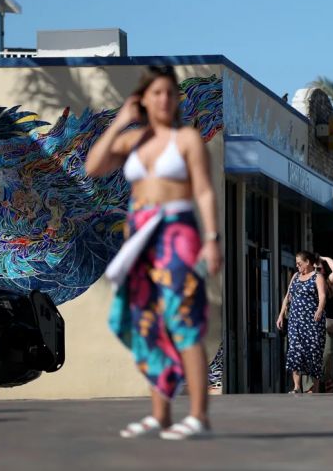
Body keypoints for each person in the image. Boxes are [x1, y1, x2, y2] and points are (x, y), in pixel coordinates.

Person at [85, 66, 222, 439]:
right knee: (145, 324)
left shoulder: (186, 138)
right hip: (140, 237)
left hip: (176, 232)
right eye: (156, 93)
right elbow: (93, 166)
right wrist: (120, 121)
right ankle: (161, 415)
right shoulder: (133, 140)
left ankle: (198, 416)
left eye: (169, 93)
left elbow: (204, 190)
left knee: (182, 320)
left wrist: (212, 238)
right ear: (143, 99)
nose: (163, 100)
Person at [276, 251, 327, 393]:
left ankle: (314, 387)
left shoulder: (318, 277)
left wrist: (319, 309)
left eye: (299, 263)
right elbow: (287, 297)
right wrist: (281, 315)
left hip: (312, 321)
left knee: (313, 352)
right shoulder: (295, 276)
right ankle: (297, 387)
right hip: (295, 321)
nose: (297, 266)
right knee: (295, 351)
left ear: (308, 262)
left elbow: (322, 296)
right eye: (296, 264)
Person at [302, 255, 333, 393]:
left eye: (319, 269)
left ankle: (326, 377)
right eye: (314, 268)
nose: (317, 271)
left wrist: (325, 258)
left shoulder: (328, 283)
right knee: (309, 354)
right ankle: (309, 386)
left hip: (327, 323)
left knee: (327, 353)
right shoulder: (306, 282)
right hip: (310, 323)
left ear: (323, 270)